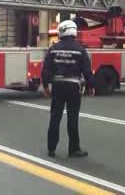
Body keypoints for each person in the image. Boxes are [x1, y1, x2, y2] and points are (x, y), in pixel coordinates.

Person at [41, 20, 94, 158]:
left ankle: (51, 148)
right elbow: (87, 71)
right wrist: (90, 86)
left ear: (62, 31)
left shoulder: (53, 49)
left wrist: (46, 86)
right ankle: (74, 149)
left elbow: (46, 70)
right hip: (73, 88)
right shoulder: (80, 49)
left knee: (55, 117)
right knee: (72, 118)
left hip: (58, 87)